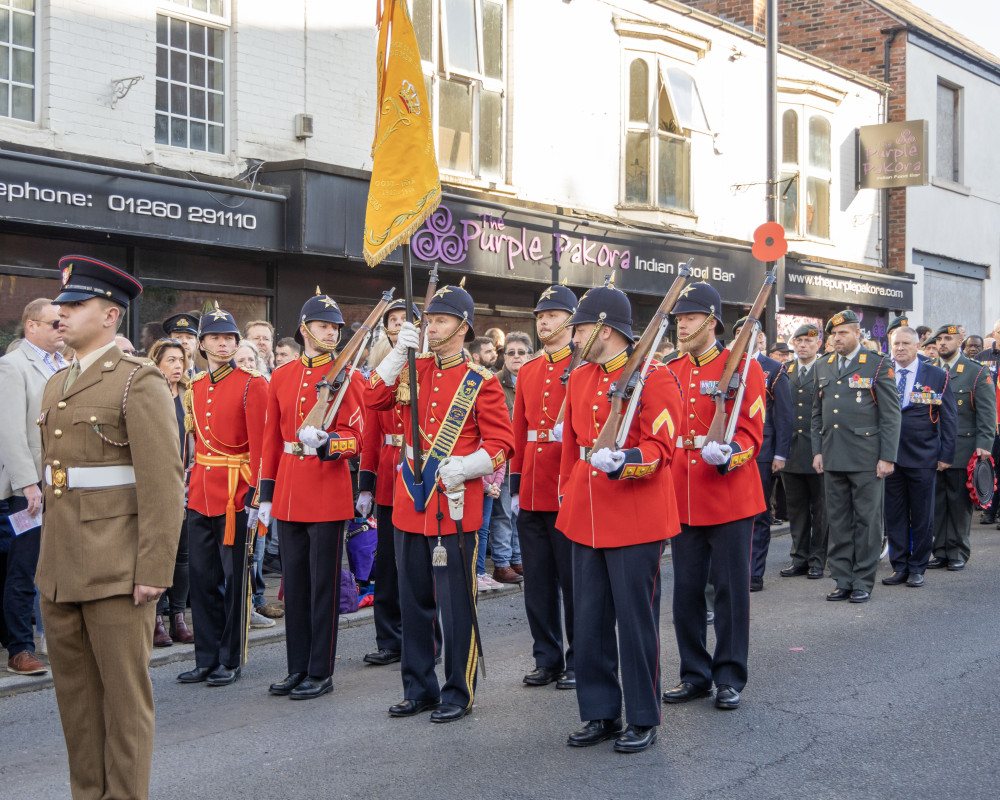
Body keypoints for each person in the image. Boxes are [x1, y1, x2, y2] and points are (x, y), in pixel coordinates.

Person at [36, 255, 184, 800]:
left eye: (74, 306)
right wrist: (44, 569)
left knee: (124, 707)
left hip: (119, 570)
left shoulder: (136, 381)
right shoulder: (56, 385)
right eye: (60, 307)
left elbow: (163, 484)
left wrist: (154, 569)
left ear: (109, 316)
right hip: (60, 571)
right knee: (76, 708)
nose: (61, 316)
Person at [366, 284, 513, 723]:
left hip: (452, 504)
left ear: (462, 327)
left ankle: (457, 690)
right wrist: (396, 356)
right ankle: (419, 688)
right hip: (412, 502)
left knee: (454, 608)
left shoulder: (479, 383)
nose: (431, 326)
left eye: (441, 320)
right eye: (429, 319)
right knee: (413, 604)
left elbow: (502, 443)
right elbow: (373, 399)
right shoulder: (414, 367)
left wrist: (468, 466)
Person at [557, 283, 681, 754]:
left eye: (580, 329)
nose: (573, 337)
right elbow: (572, 447)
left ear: (605, 331)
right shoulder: (582, 377)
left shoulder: (656, 376)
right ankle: (601, 712)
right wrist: (569, 494)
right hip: (586, 515)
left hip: (634, 515)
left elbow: (660, 446)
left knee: (634, 623)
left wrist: (626, 459)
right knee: (588, 622)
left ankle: (643, 715)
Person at [663, 282, 766, 713]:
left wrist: (730, 454)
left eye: (687, 318)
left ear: (711, 322)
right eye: (678, 319)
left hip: (728, 495)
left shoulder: (741, 367)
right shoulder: (672, 368)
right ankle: (694, 673)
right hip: (682, 495)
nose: (680, 325)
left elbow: (751, 431)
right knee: (685, 592)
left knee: (729, 591)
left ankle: (728, 676)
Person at [257, 290, 363, 700]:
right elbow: (270, 438)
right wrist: (266, 493)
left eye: (336, 327)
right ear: (304, 328)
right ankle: (296, 667)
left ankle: (321, 669)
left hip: (326, 487)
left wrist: (328, 441)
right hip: (288, 489)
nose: (331, 332)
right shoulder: (281, 375)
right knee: (294, 586)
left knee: (323, 588)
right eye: (323, 325)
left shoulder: (345, 375)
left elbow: (356, 438)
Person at [177, 304, 268, 687]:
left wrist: (259, 497)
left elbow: (262, 447)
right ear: (202, 344)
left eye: (229, 337)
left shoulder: (253, 383)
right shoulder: (194, 386)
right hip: (201, 492)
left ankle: (231, 658)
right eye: (215, 337)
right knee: (202, 579)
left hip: (236, 492)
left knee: (235, 581)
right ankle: (206, 657)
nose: (223, 343)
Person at [509, 285, 578, 690]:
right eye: (540, 315)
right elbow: (519, 429)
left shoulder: (583, 364)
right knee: (537, 582)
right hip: (534, 486)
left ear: (571, 320)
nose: (544, 321)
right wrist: (517, 485)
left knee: (573, 583)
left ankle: (578, 657)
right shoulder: (531, 370)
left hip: (565, 486)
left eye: (552, 314)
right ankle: (546, 656)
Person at [811, 309, 900, 603]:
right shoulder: (823, 366)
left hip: (866, 457)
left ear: (857, 334)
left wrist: (887, 456)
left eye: (843, 333)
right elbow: (816, 414)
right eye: (833, 334)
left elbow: (890, 415)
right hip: (833, 455)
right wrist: (818, 450)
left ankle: (862, 580)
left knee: (867, 521)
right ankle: (842, 579)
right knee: (838, 521)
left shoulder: (877, 364)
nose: (837, 338)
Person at [0, 298, 67, 676]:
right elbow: (10, 431)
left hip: (64, 483)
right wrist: (28, 483)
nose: (62, 328)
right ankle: (20, 648)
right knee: (25, 568)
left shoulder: (65, 365)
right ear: (31, 325)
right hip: (29, 489)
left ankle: (56, 639)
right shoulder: (12, 366)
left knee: (57, 566)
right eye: (55, 323)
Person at [357, 298, 417, 666]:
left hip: (416, 470)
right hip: (388, 469)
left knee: (416, 564)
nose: (397, 324)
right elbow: (371, 437)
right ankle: (389, 639)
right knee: (388, 564)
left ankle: (421, 637)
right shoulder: (381, 373)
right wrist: (366, 484)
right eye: (392, 320)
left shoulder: (426, 366)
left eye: (404, 319)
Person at [882, 327, 957, 587]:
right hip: (890, 456)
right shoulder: (883, 372)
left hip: (924, 455)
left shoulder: (936, 375)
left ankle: (918, 567)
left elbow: (948, 418)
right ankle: (899, 565)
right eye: (895, 344)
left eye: (905, 343)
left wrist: (946, 454)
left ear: (917, 346)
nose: (900, 348)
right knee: (894, 513)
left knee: (923, 514)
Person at [927, 324, 996, 569]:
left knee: (958, 503)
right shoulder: (928, 370)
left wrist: (984, 445)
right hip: (932, 447)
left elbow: (987, 413)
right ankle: (941, 551)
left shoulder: (975, 372)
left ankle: (957, 552)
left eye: (948, 338)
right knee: (937, 502)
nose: (943, 343)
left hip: (962, 446)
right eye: (940, 339)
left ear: (960, 341)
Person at [732, 316, 791, 592]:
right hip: (731, 449)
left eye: (753, 333)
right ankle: (735, 568)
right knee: (733, 512)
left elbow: (784, 415)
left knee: (758, 512)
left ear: (760, 338)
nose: (749, 338)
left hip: (763, 450)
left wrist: (781, 453)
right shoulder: (728, 363)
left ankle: (754, 572)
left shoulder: (774, 369)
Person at [147, 338, 196, 647]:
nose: (178, 366)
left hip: (186, 483)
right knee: (158, 553)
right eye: (171, 361)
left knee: (183, 554)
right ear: (157, 363)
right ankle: (156, 618)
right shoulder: (148, 394)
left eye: (181, 360)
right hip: (156, 486)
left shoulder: (190, 395)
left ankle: (179, 617)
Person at [778, 324, 828, 580]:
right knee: (796, 508)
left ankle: (818, 559)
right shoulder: (785, 371)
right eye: (798, 341)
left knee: (821, 509)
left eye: (808, 341)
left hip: (818, 450)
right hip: (791, 451)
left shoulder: (827, 368)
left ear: (818, 344)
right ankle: (800, 557)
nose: (802, 346)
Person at [489, 331, 530, 584]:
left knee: (519, 511)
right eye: (510, 352)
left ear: (529, 354)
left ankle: (516, 557)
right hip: (503, 458)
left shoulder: (534, 379)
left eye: (521, 352)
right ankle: (502, 563)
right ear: (503, 357)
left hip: (525, 456)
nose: (516, 357)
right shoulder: (493, 382)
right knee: (503, 512)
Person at [975, 320, 1000, 526]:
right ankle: (989, 510)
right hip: (990, 423)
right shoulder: (982, 358)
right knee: (990, 467)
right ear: (994, 333)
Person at [163, 312, 201, 378]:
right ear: (169, 342)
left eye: (189, 337)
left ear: (197, 344)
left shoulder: (204, 377)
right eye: (178, 337)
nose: (184, 341)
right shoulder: (162, 375)